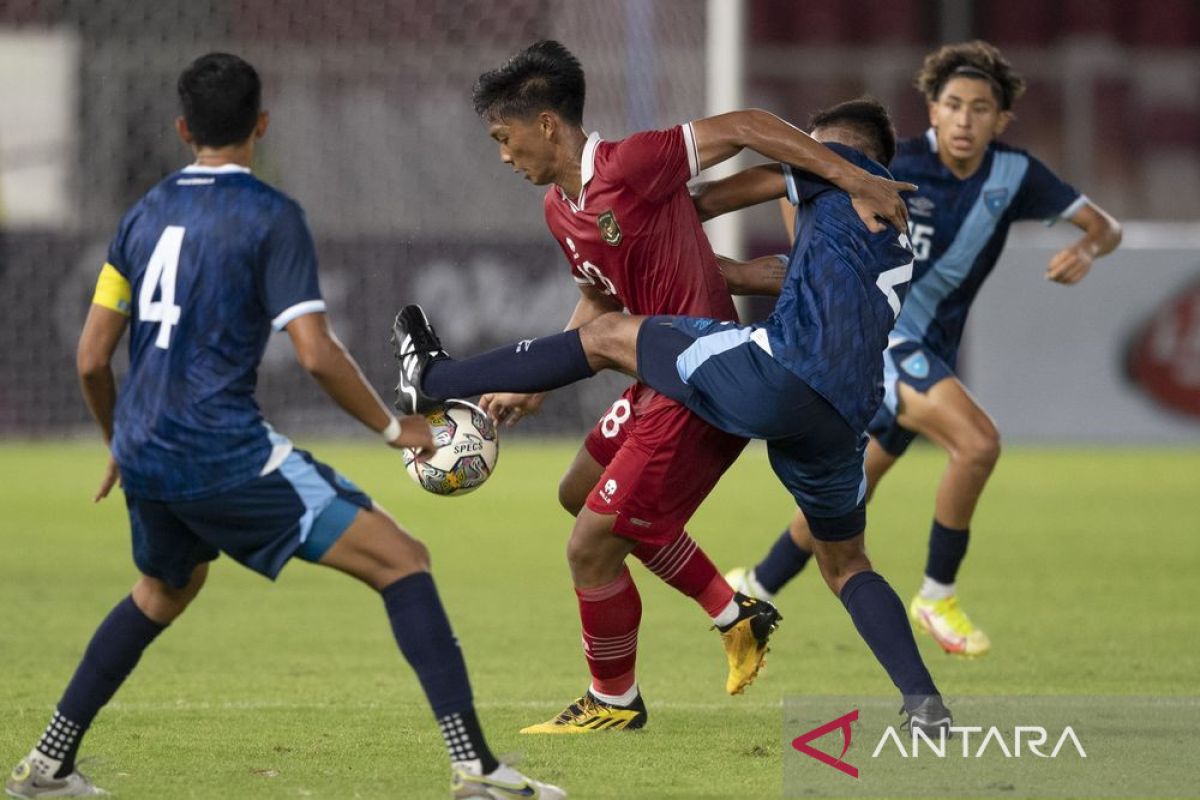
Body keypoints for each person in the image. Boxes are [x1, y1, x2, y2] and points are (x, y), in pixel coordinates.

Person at [4, 53, 565, 800]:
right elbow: (315, 352)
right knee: (402, 560)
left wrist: (118, 441)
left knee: (163, 589)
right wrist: (394, 428)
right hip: (222, 451)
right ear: (261, 126)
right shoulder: (271, 216)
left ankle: (47, 763)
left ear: (182, 130)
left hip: (145, 451)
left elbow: (89, 357)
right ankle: (477, 770)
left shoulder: (140, 216)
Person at [393, 97, 952, 730]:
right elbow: (781, 272)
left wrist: (631, 206)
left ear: (845, 152)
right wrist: (713, 266)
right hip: (843, 413)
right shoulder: (893, 225)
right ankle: (923, 704)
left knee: (611, 341)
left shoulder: (831, 168)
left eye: (809, 145)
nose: (797, 159)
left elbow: (703, 200)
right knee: (847, 564)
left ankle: (439, 376)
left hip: (777, 371)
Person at [722, 41, 1122, 658]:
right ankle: (937, 594)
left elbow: (1106, 226)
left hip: (928, 349)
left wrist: (1087, 250)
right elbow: (800, 177)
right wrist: (810, 259)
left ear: (1000, 119)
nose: (965, 120)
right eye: (953, 105)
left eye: (980, 109)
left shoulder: (1016, 176)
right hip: (879, 338)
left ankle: (755, 584)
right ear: (931, 110)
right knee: (978, 442)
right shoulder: (893, 162)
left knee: (841, 504)